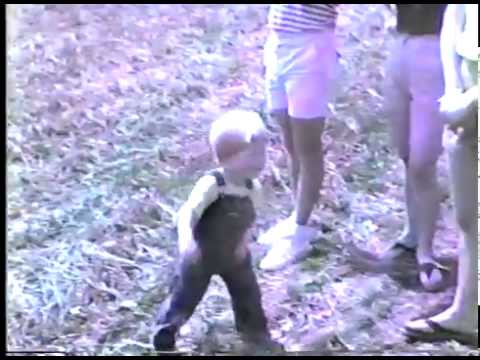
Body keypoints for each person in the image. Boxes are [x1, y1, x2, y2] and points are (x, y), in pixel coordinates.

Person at [152, 110, 275, 351]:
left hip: (235, 254)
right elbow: (189, 213)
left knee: (247, 292)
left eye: (263, 154)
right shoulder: (213, 184)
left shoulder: (252, 187)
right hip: (201, 254)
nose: (260, 161)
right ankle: (165, 335)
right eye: (253, 154)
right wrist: (186, 242)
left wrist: (244, 243)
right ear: (227, 156)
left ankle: (254, 333)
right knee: (185, 297)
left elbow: (250, 220)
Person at [404, 4, 478, 345]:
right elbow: (452, 21)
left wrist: (471, 102)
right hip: (464, 115)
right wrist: (451, 93)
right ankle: (466, 312)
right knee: (468, 219)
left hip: (470, 107)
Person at [259, 4, 340, 271]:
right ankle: (299, 218)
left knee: (307, 145)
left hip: (311, 45)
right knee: (289, 137)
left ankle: (300, 230)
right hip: (278, 41)